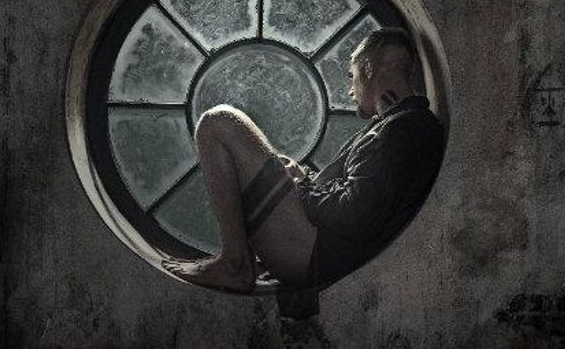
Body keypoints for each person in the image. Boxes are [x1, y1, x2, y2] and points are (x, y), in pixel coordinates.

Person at [163, 28, 445, 292]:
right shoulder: (398, 125)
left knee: (218, 122)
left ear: (369, 68)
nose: (350, 89)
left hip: (316, 256)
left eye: (352, 75)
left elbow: (354, 214)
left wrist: (298, 187)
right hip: (318, 248)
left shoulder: (405, 128)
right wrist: (303, 179)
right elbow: (359, 196)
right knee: (251, 148)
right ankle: (241, 260)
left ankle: (235, 264)